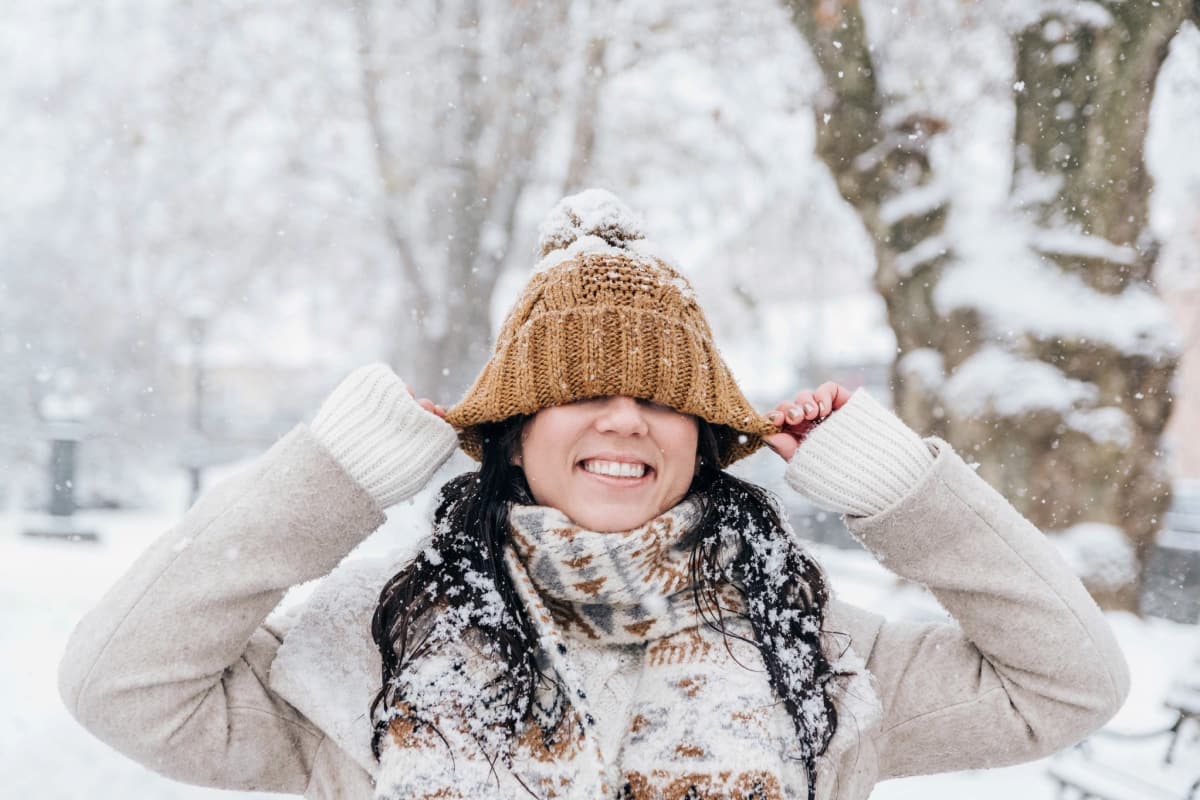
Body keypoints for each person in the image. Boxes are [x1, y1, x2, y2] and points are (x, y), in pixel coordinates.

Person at [59, 190, 1129, 800]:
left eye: (661, 399)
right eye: (579, 392)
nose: (624, 419)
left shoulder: (813, 647)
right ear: (515, 431)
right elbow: (121, 682)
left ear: (702, 441)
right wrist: (329, 480)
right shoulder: (370, 644)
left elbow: (1069, 682)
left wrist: (903, 491)